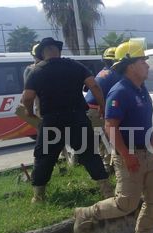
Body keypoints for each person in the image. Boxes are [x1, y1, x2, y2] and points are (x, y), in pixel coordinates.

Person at [73, 39, 153, 233]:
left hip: (148, 155)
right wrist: (126, 156)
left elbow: (145, 120)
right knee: (125, 203)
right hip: (130, 154)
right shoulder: (120, 92)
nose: (148, 64)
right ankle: (86, 213)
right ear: (131, 65)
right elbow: (110, 127)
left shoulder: (141, 89)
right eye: (143, 60)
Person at [21, 37, 114, 203]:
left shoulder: (37, 71)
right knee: (90, 154)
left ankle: (38, 196)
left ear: (42, 53)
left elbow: (27, 97)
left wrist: (30, 113)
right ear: (58, 50)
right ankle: (106, 190)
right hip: (77, 117)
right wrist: (102, 106)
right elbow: (93, 86)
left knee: (44, 158)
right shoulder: (75, 66)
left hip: (52, 121)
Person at [85, 47, 122, 173]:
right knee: (108, 138)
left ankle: (104, 165)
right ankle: (108, 167)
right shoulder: (115, 75)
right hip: (97, 110)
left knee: (101, 139)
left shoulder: (102, 72)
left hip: (90, 110)